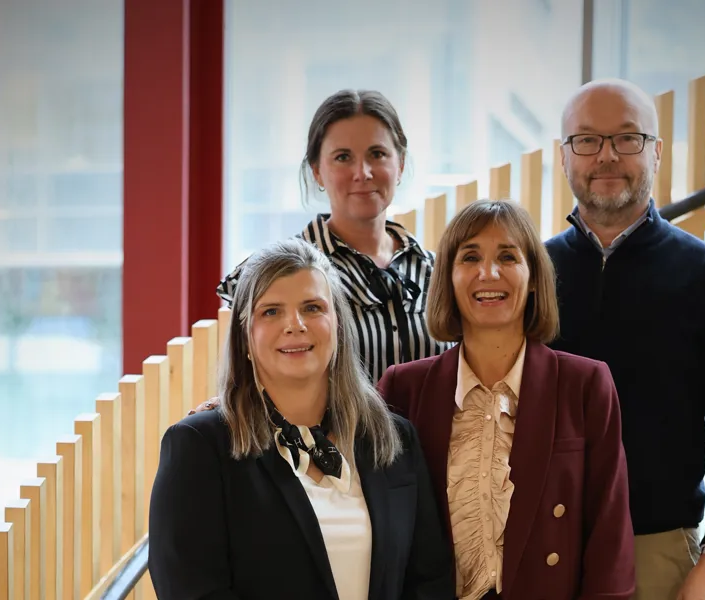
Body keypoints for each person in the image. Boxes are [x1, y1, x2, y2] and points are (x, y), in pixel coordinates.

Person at [545, 78, 705, 600]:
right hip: (541, 549)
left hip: (659, 555)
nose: (606, 156)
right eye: (586, 140)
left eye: (627, 138)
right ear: (563, 157)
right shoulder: (531, 273)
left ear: (657, 152)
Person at [148, 238, 455, 600]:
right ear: (245, 336)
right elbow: (192, 592)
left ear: (338, 324)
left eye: (312, 307)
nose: (294, 325)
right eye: (271, 311)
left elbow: (430, 583)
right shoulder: (199, 446)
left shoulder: (394, 438)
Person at [377, 200, 635, 600]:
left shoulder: (584, 384)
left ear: (533, 277)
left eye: (507, 256)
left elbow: (609, 536)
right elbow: (385, 538)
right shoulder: (402, 389)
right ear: (448, 276)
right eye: (470, 257)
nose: (488, 273)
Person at [216, 89, 450, 384]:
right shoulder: (274, 273)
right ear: (317, 171)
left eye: (377, 154)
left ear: (400, 164)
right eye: (343, 157)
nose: (362, 172)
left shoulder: (440, 272)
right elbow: (243, 378)